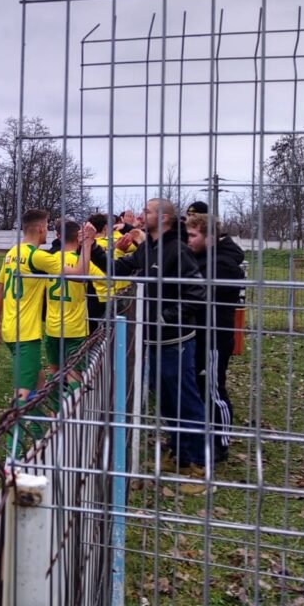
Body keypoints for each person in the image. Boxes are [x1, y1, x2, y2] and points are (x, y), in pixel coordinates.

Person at [113, 198, 209, 494]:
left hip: (175, 341)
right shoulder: (148, 248)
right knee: (168, 402)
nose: (141, 215)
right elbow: (119, 267)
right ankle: (180, 457)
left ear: (164, 218)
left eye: (147, 211)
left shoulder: (177, 250)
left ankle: (200, 467)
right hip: (154, 341)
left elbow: (197, 293)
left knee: (186, 402)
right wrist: (88, 247)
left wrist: (163, 317)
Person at [0, 209, 95, 447]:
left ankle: (38, 433)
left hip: (10, 330)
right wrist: (87, 244)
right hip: (27, 334)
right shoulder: (38, 257)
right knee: (22, 394)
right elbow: (81, 274)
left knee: (40, 379)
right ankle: (13, 456)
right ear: (41, 228)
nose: (48, 232)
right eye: (47, 227)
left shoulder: (12, 253)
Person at [185, 212, 245, 463]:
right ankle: (201, 437)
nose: (188, 240)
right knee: (200, 386)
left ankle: (221, 443)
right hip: (199, 332)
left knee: (213, 388)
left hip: (215, 336)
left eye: (192, 235)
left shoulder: (223, 264)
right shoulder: (204, 256)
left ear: (210, 237)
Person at [43, 221, 105, 411]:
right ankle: (73, 415)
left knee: (54, 371)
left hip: (52, 327)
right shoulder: (84, 262)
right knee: (74, 372)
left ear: (58, 236)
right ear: (78, 238)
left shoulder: (49, 261)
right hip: (75, 327)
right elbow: (109, 283)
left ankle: (55, 413)